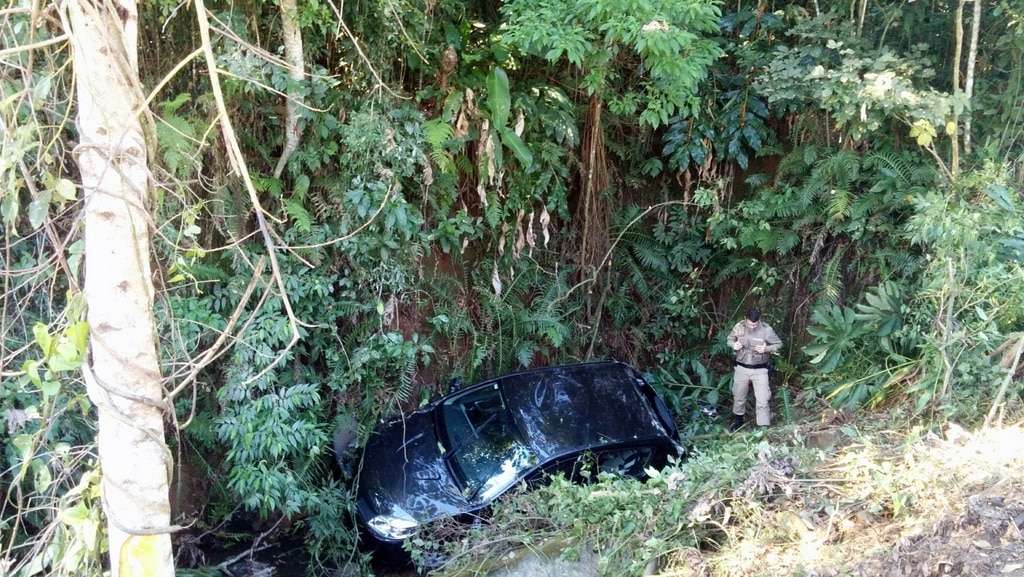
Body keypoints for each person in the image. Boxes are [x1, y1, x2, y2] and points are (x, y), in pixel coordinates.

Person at [727, 307, 782, 430]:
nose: (752, 327)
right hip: (741, 368)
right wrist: (733, 345)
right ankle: (738, 422)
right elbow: (729, 339)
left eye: (755, 324)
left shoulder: (766, 330)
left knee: (763, 399)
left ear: (759, 320)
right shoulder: (739, 327)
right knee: (738, 396)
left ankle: (763, 427)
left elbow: (779, 344)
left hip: (760, 369)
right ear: (746, 319)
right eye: (750, 324)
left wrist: (766, 349)